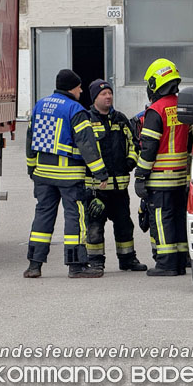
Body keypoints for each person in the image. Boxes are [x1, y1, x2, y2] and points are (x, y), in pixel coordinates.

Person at [24, 69, 109, 279]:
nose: (81, 91)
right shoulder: (75, 109)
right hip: (69, 176)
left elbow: (30, 139)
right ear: (72, 87)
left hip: (43, 174)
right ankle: (76, 265)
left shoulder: (40, 105)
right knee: (75, 218)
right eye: (79, 87)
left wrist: (31, 167)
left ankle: (34, 265)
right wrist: (100, 174)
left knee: (42, 218)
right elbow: (87, 145)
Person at [134, 58, 192, 277]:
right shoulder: (183, 107)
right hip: (181, 177)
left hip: (159, 178)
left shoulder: (156, 110)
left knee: (162, 218)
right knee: (178, 217)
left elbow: (149, 148)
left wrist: (140, 176)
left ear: (154, 83)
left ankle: (166, 264)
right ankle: (180, 260)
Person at [84, 79, 147, 274]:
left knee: (124, 225)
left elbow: (134, 143)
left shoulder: (121, 119)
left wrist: (130, 160)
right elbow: (83, 149)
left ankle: (127, 259)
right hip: (96, 189)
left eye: (110, 93)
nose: (108, 96)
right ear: (95, 98)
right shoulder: (86, 120)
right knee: (94, 226)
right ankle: (95, 261)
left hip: (119, 188)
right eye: (103, 94)